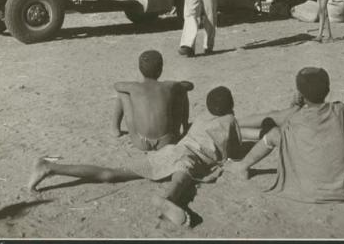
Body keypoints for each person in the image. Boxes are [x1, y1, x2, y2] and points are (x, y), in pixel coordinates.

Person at [29, 86, 242, 227]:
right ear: (231, 106)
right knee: (182, 176)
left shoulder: (202, 117)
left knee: (112, 173)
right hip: (189, 156)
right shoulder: (231, 121)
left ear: (207, 106)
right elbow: (230, 153)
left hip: (170, 152)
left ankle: (51, 167)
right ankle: (167, 198)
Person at [226, 67, 344, 203]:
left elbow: (283, 129)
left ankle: (241, 166)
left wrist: (296, 106)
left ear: (300, 93)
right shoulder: (342, 110)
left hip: (309, 190)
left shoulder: (297, 117)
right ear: (328, 90)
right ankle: (236, 129)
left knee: (273, 133)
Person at [112, 50, 193, 151]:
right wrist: (180, 85)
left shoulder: (134, 87)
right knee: (182, 91)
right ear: (160, 70)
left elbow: (116, 85)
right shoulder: (168, 86)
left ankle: (115, 129)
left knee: (122, 92)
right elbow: (190, 86)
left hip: (140, 142)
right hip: (167, 142)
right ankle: (185, 128)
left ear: (140, 69)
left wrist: (132, 86)